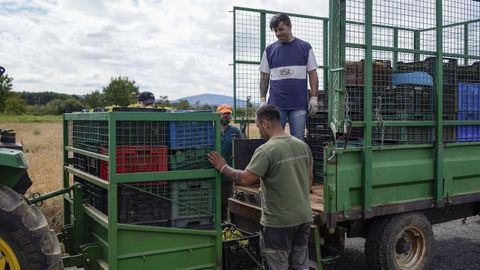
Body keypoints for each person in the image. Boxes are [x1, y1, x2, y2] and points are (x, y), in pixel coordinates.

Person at [208, 104, 313, 270]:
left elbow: (244, 179)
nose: (259, 130)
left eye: (257, 125)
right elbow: (308, 181)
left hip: (279, 222)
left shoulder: (266, 150)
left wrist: (223, 167)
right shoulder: (302, 146)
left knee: (278, 264)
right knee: (300, 263)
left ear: (265, 123)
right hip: (304, 217)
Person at [259, 13, 319, 140]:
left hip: (298, 105)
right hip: (276, 106)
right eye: (275, 31)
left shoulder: (305, 47)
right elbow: (264, 77)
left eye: (281, 29)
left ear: (290, 26)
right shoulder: (269, 50)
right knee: (274, 140)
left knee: (298, 140)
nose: (278, 33)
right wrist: (263, 100)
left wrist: (314, 97)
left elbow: (313, 74)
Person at [216, 104, 243, 221]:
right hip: (213, 173)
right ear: (218, 114)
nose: (226, 116)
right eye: (224, 113)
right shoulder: (212, 129)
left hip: (227, 174)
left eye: (229, 114)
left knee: (227, 203)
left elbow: (242, 148)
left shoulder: (235, 131)